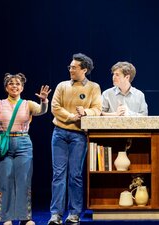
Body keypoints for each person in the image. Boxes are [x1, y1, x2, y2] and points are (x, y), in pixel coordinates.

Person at [0, 73, 51, 225]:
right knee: (5, 181)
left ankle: (25, 218)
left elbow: (41, 110)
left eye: (17, 83)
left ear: (22, 87)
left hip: (23, 143)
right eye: (11, 83)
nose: (14, 86)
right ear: (6, 87)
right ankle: (7, 218)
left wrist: (44, 101)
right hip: (4, 145)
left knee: (23, 181)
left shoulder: (28, 104)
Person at [48, 53, 102, 225]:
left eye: (74, 67)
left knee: (76, 175)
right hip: (60, 133)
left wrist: (86, 112)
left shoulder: (93, 87)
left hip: (79, 135)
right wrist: (71, 116)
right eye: (70, 67)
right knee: (58, 175)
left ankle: (74, 214)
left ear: (84, 70)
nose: (70, 69)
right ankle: (56, 214)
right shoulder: (62, 86)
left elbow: (97, 109)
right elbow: (55, 107)